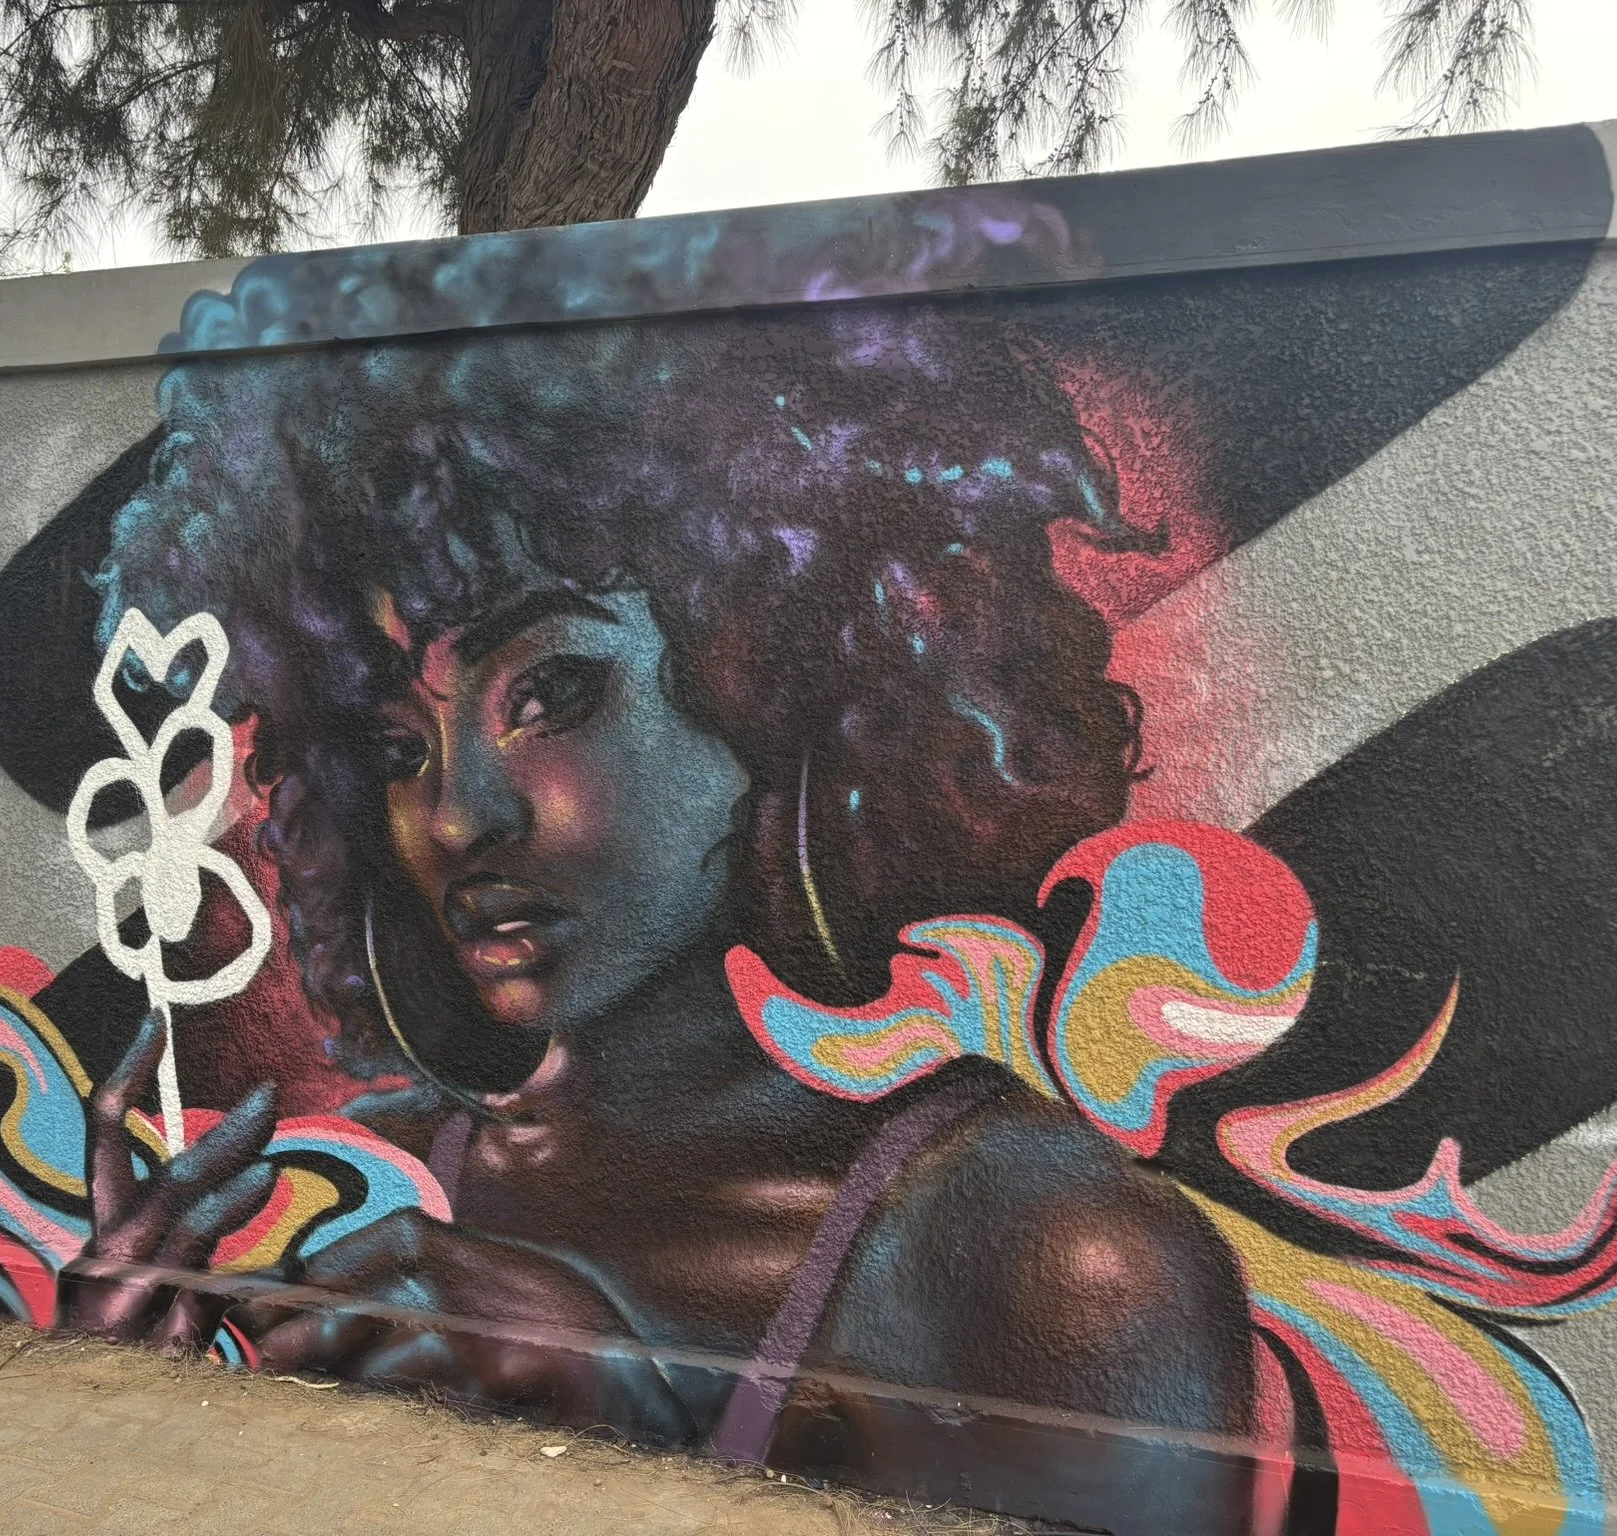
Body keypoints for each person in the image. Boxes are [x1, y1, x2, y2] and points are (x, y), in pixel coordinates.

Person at [67, 297, 1262, 1524]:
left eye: (553, 693)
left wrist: (646, 1430)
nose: (456, 819)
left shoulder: (1050, 1265)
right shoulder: (362, 1183)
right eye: (390, 749)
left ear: (780, 672)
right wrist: (128, 1402)